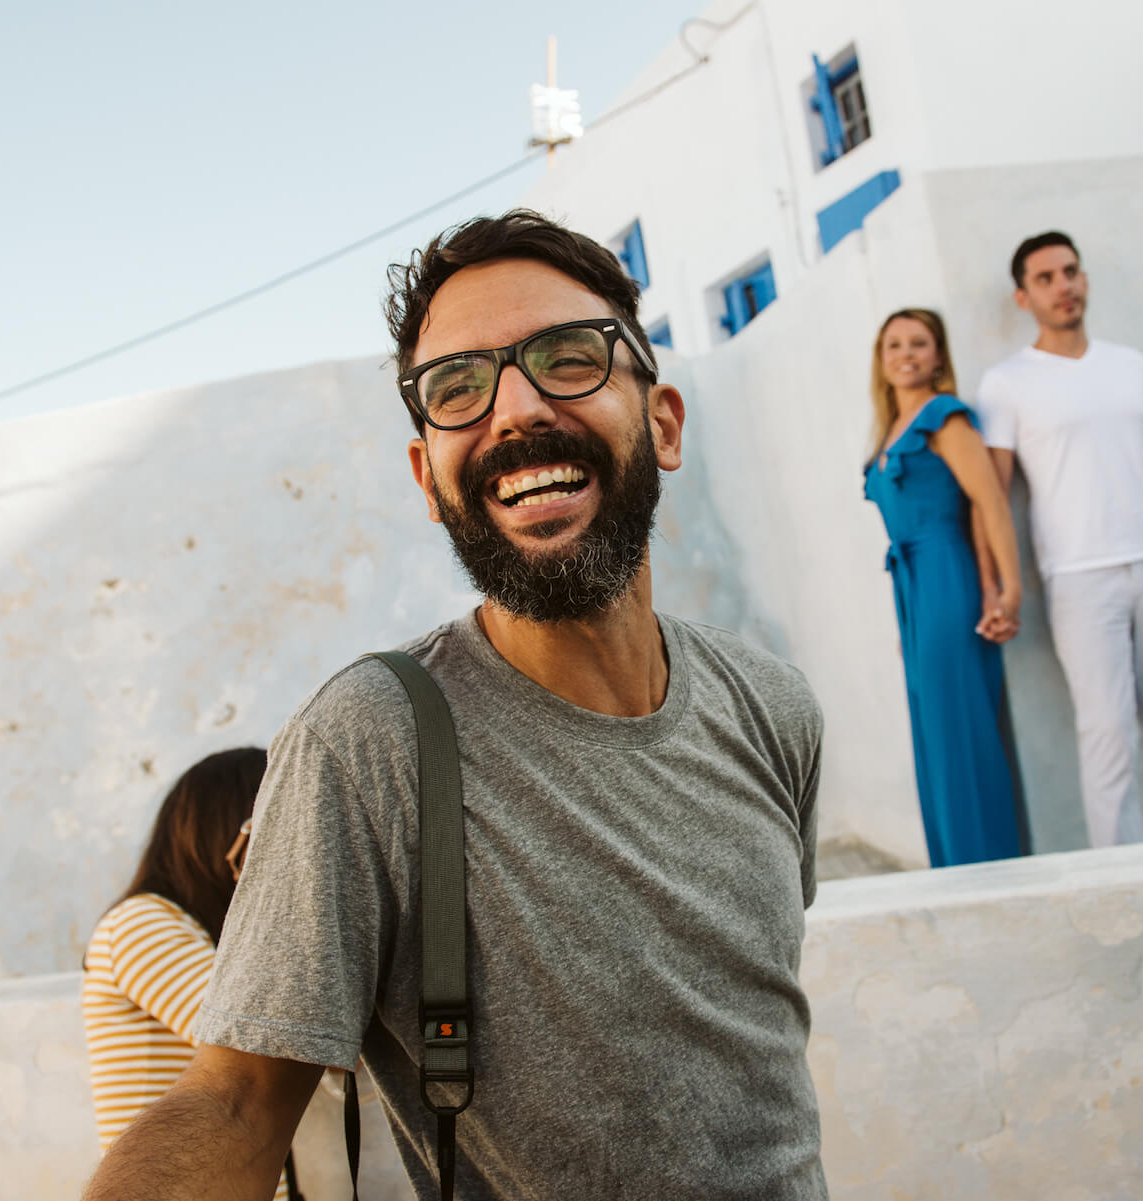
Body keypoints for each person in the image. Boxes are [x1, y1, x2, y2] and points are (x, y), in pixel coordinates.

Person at [82, 210, 827, 1201]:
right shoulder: (365, 743)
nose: (513, 410)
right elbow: (236, 1101)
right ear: (427, 480)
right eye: (458, 388)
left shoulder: (772, 707)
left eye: (569, 357)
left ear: (664, 422)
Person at [975, 231, 1143, 848]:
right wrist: (997, 586)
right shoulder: (1008, 382)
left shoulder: (1130, 365)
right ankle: (1124, 874)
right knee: (1107, 733)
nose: (1065, 286)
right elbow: (992, 495)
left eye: (1071, 272)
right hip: (1081, 577)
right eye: (1048, 278)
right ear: (1024, 297)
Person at [80, 747, 295, 1200]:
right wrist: (275, 892)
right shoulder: (141, 924)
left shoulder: (194, 934)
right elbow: (275, 1034)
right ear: (232, 830)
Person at [862, 308, 1026, 867]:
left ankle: (987, 867)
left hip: (947, 577)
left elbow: (991, 503)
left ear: (938, 356)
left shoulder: (946, 419)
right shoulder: (889, 431)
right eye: (894, 345)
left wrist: (1010, 590)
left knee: (961, 729)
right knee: (934, 731)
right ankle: (954, 868)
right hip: (910, 589)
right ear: (881, 362)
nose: (906, 354)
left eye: (919, 343)